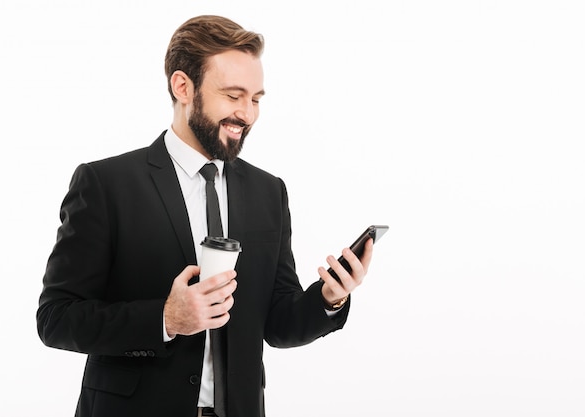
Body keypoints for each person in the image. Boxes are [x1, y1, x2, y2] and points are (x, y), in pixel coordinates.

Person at [37, 15, 373, 417]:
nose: (247, 114)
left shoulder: (268, 192)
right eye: (233, 96)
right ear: (183, 87)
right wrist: (165, 318)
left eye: (256, 99)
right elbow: (56, 318)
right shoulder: (106, 183)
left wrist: (329, 298)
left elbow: (277, 324)